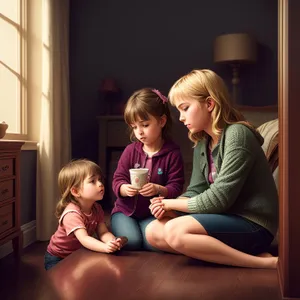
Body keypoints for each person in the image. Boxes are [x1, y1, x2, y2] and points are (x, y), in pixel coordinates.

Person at [145, 69, 279, 269]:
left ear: (209, 104)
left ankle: (262, 263)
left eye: (185, 108)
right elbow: (196, 190)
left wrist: (171, 204)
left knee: (174, 231)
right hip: (226, 218)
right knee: (153, 232)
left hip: (253, 225)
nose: (181, 118)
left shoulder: (238, 135)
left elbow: (219, 199)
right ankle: (224, 253)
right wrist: (167, 207)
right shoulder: (202, 142)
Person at [111, 88, 185, 250]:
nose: (139, 132)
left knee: (153, 244)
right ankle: (127, 233)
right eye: (134, 127)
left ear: (162, 121)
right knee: (133, 242)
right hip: (125, 212)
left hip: (152, 214)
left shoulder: (172, 153)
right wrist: (124, 189)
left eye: (145, 125)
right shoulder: (130, 151)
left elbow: (176, 186)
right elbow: (118, 179)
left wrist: (159, 189)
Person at [44, 159, 127, 270]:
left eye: (100, 180)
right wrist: (105, 247)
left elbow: (103, 232)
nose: (100, 184)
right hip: (59, 258)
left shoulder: (96, 208)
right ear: (75, 191)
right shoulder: (72, 214)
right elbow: (84, 239)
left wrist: (112, 242)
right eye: (93, 181)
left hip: (78, 254)